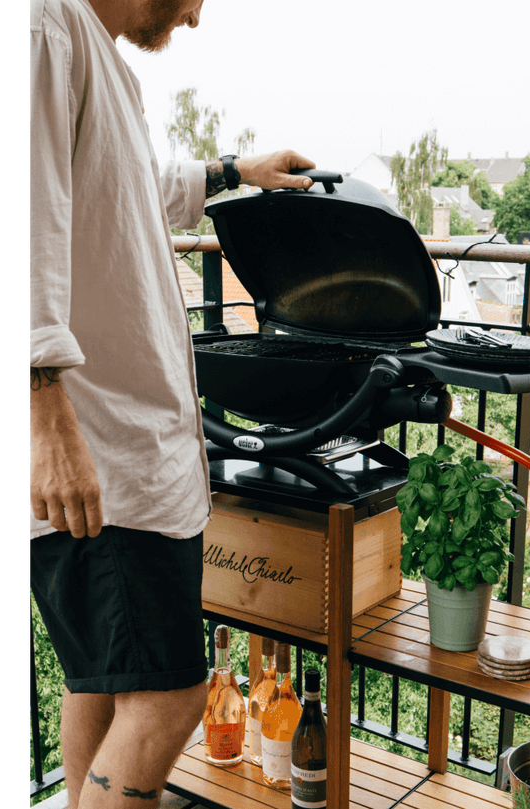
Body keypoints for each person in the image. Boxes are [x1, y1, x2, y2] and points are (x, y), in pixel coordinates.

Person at [28, 1, 315, 806]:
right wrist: (44, 409)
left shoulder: (92, 52)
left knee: (101, 680)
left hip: (118, 455)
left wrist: (234, 172)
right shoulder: (44, 23)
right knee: (167, 696)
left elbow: (124, 194)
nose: (194, 16)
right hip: (100, 453)